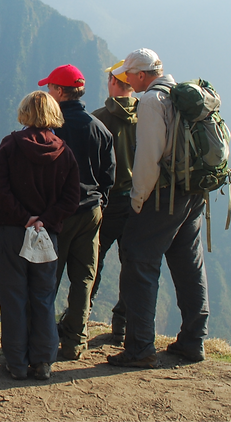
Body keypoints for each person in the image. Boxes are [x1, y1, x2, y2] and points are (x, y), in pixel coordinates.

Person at [107, 48, 210, 368]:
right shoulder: (179, 94)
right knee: (188, 263)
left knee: (139, 262)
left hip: (164, 196)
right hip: (193, 193)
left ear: (141, 75)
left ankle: (139, 348)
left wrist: (138, 201)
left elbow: (148, 158)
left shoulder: (151, 102)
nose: (127, 80)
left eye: (129, 75)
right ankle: (193, 341)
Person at [0, 91, 80, 380]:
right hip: (45, 235)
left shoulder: (10, 145)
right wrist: (45, 220)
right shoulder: (64, 152)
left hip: (11, 232)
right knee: (43, 295)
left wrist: (23, 217)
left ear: (25, 112)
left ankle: (16, 363)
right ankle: (43, 361)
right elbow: (71, 198)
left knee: (13, 295)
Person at [40, 64, 115, 360]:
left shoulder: (51, 129)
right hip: (90, 212)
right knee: (84, 278)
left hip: (58, 214)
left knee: (48, 277)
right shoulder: (100, 128)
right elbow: (109, 175)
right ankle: (74, 341)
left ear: (59, 92)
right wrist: (98, 202)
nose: (48, 93)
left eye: (50, 88)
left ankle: (42, 340)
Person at [89, 60, 139, 345]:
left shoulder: (98, 119)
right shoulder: (149, 116)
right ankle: (122, 325)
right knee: (132, 264)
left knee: (93, 261)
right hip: (138, 202)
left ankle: (80, 316)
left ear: (112, 83)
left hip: (107, 202)